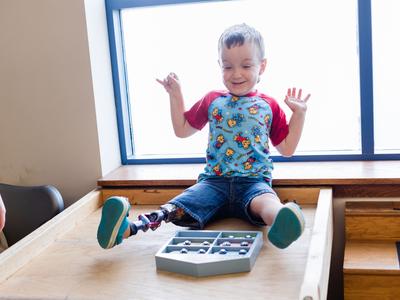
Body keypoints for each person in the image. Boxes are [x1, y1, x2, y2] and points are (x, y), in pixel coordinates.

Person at [97, 23, 311, 250]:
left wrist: (299, 114)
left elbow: (287, 149)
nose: (236, 73)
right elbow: (182, 129)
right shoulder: (213, 100)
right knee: (178, 205)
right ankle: (127, 229)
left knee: (267, 203)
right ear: (220, 65)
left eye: (246, 65)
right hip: (213, 183)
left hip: (254, 183)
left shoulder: (269, 105)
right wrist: (175, 94)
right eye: (228, 67)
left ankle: (283, 221)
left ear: (262, 66)